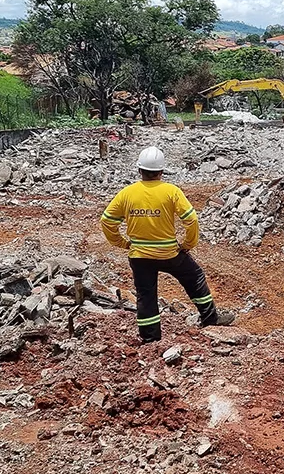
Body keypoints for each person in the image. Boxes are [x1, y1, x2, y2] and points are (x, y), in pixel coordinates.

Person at [100, 146, 234, 343]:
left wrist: (121, 243)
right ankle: (210, 319)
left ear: (140, 170)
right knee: (195, 277)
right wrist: (189, 243)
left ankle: (150, 339)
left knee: (146, 296)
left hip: (140, 256)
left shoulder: (127, 194)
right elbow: (191, 220)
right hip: (169, 253)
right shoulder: (171, 191)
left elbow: (107, 221)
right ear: (162, 171)